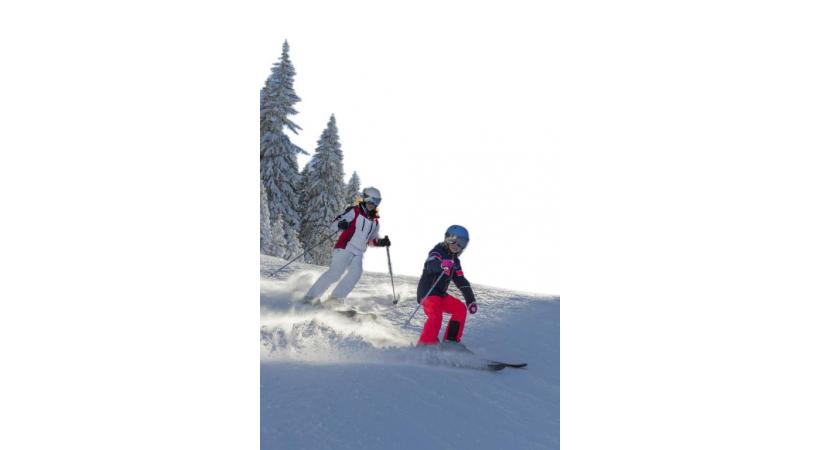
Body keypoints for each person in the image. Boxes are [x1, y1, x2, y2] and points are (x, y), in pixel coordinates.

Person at [303, 187, 391, 306]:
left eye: (377, 202)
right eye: (372, 201)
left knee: (356, 274)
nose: (373, 204)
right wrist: (341, 224)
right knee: (335, 273)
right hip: (345, 247)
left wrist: (381, 242)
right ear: (366, 199)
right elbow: (335, 223)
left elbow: (371, 240)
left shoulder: (375, 222)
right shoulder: (355, 211)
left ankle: (335, 299)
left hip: (359, 253)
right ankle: (310, 297)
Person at [416, 225, 477, 346]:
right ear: (447, 238)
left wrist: (470, 300)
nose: (457, 245)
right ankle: (425, 345)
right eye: (454, 240)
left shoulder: (455, 261)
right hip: (428, 292)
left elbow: (461, 281)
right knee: (436, 315)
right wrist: (441, 264)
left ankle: (451, 341)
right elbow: (430, 265)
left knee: (460, 309)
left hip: (440, 295)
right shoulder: (437, 251)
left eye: (461, 243)